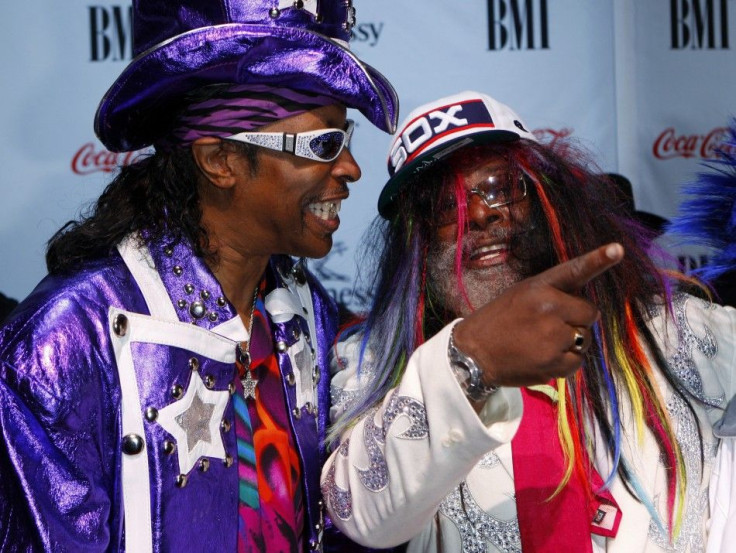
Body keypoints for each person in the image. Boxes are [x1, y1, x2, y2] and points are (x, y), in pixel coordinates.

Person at [0, 1, 398, 551]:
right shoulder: (64, 344)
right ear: (219, 160)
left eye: (345, 138)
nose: (351, 167)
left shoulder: (305, 313)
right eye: (324, 145)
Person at [320, 91, 736, 552]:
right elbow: (362, 513)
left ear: (546, 199)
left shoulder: (677, 332)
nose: (479, 214)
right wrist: (472, 359)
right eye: (444, 206)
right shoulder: (376, 366)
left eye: (499, 187)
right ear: (414, 242)